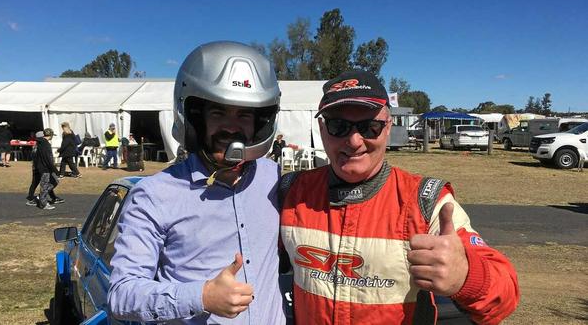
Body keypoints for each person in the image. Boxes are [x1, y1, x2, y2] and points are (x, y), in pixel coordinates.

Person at [279, 70, 519, 324]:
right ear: (321, 128)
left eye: (369, 127)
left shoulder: (427, 201)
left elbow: (505, 295)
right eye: (338, 126)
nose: (354, 141)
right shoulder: (292, 192)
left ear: (388, 126)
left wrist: (467, 276)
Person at [108, 41, 286, 324]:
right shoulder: (154, 195)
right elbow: (121, 294)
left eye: (243, 114)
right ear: (194, 118)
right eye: (218, 113)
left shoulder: (274, 179)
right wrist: (201, 296)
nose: (231, 126)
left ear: (260, 123)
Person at [26, 128, 64, 210]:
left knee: (54, 181)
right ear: (50, 135)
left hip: (43, 167)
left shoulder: (40, 143)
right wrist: (55, 170)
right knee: (44, 185)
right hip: (45, 168)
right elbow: (48, 159)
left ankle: (41, 197)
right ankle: (43, 203)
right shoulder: (45, 144)